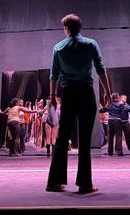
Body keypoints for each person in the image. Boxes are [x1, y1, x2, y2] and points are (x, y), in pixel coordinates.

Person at [46, 13, 111, 194]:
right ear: (80, 27)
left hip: (68, 93)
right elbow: (100, 68)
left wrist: (52, 95)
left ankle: (54, 182)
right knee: (84, 138)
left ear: (66, 29)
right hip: (85, 92)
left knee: (62, 137)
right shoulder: (90, 44)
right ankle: (85, 184)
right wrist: (107, 91)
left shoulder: (58, 47)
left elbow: (53, 74)